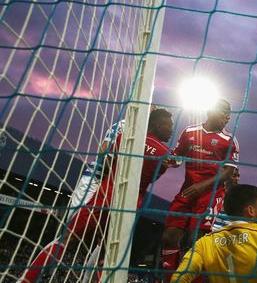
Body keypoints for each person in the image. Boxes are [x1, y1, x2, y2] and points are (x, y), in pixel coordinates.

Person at [22, 108, 176, 283]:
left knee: (74, 239)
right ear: (155, 124)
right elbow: (154, 173)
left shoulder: (125, 137)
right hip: (121, 197)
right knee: (106, 249)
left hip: (108, 190)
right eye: (169, 125)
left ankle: (32, 278)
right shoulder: (160, 151)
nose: (171, 130)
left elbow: (109, 156)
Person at [161, 99, 239, 281]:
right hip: (187, 192)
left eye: (229, 113)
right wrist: (166, 160)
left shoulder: (229, 140)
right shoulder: (189, 132)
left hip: (211, 195)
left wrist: (201, 186)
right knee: (169, 235)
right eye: (224, 111)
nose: (228, 117)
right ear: (210, 109)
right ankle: (170, 278)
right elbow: (177, 157)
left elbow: (228, 173)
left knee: (197, 241)